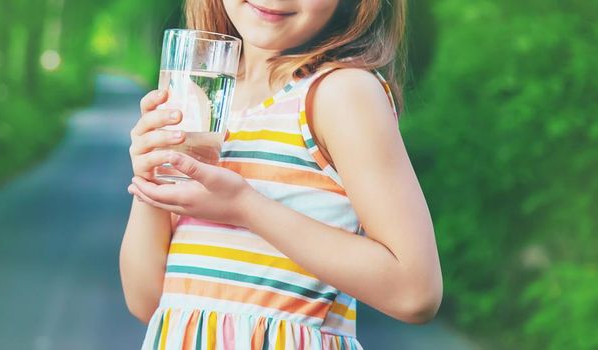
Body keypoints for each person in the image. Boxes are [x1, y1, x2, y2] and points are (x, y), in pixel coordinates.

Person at [119, 0, 443, 348]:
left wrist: (245, 208)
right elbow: (147, 303)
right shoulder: (203, 91)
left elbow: (415, 292)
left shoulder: (341, 93)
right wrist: (152, 179)